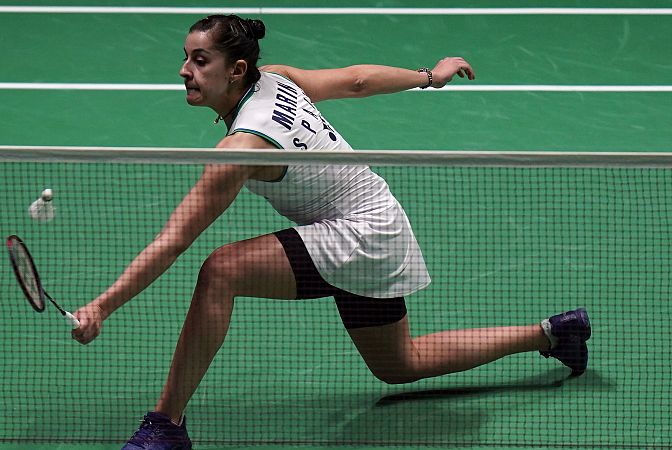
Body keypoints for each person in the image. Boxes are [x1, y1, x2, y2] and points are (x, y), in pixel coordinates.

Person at [71, 15, 592, 450]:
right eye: (186, 57)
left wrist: (104, 305)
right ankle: (553, 333)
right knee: (400, 365)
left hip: (359, 233)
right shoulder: (274, 78)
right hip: (375, 220)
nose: (184, 70)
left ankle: (167, 424)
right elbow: (357, 80)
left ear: (236, 70)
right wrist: (428, 76)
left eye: (199, 60)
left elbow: (175, 238)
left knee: (221, 271)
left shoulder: (243, 148)